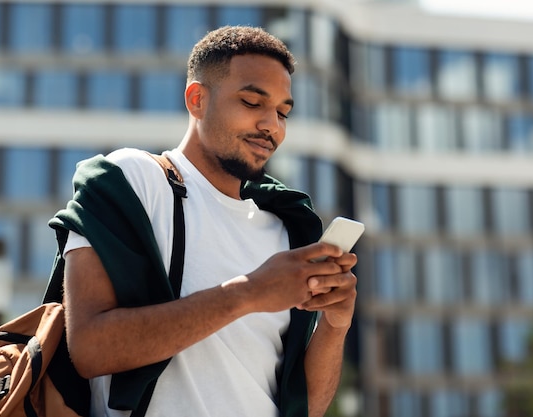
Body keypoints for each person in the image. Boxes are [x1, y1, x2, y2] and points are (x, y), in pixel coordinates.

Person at [50, 25, 358, 417]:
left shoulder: (284, 228)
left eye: (283, 112)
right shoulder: (132, 181)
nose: (272, 126)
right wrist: (247, 293)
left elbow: (305, 408)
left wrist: (335, 325)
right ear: (197, 99)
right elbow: (91, 349)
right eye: (251, 102)